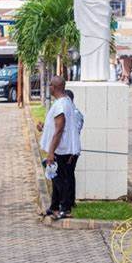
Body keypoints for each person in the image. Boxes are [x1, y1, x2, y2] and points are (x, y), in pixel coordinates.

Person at [37, 76, 80, 219]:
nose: (48, 88)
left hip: (63, 150)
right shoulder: (64, 102)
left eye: (50, 85)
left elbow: (59, 130)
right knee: (56, 179)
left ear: (54, 87)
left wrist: (51, 152)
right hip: (62, 149)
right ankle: (54, 207)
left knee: (62, 180)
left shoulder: (61, 105)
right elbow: (55, 127)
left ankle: (65, 209)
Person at [65, 89, 84, 208]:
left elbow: (74, 133)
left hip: (71, 150)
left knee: (69, 175)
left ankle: (70, 201)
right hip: (66, 149)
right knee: (66, 175)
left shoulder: (75, 114)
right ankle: (67, 200)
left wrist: (71, 153)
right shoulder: (68, 112)